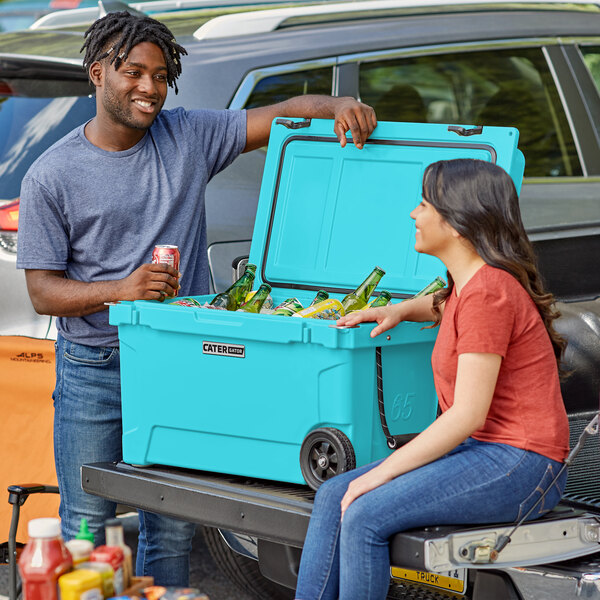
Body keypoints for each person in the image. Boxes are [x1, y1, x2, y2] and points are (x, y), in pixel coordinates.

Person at [15, 10, 377, 586]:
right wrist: (122, 291)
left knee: (175, 520)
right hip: (95, 369)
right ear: (97, 74)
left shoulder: (188, 135)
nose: (149, 89)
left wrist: (337, 108)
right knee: (86, 518)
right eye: (133, 73)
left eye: (160, 76)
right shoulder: (52, 175)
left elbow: (280, 116)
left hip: (180, 364)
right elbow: (41, 292)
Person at [294, 158, 570, 600]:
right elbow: (445, 306)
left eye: (424, 203)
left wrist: (378, 475)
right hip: (487, 451)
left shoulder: (489, 292)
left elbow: (466, 414)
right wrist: (398, 310)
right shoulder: (469, 285)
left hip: (523, 463)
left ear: (459, 223)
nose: (413, 214)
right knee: (332, 496)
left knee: (364, 512)